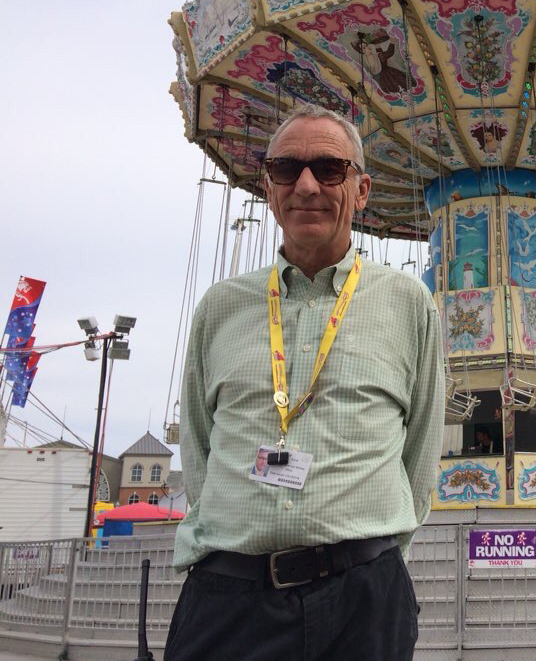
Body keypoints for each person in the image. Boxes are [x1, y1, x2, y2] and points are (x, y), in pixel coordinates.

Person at [167, 103, 445, 661]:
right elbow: (198, 445)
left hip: (362, 600)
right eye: (287, 170)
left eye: (330, 169)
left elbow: (420, 453)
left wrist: (376, 560)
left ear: (362, 190)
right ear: (269, 187)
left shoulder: (408, 302)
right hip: (231, 597)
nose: (307, 186)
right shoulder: (221, 308)